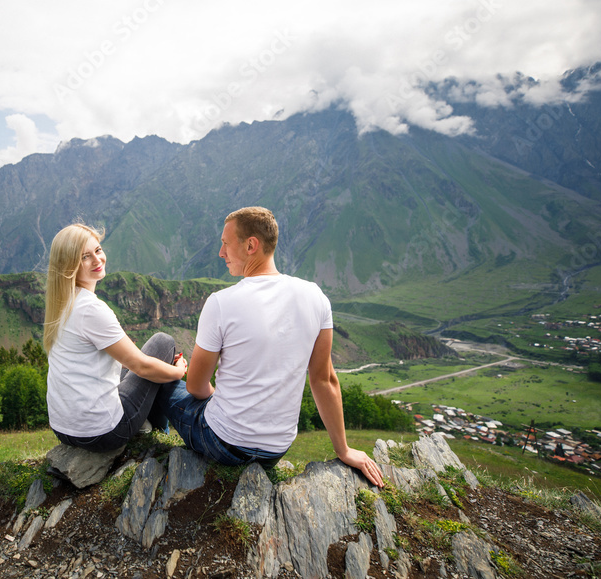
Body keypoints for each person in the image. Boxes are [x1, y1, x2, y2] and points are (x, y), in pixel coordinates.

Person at [157, 207, 384, 486]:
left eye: (225, 243)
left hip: (223, 443)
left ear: (251, 245)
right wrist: (344, 450)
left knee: (160, 381)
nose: (220, 253)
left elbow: (196, 387)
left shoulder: (221, 302)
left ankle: (152, 441)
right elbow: (324, 379)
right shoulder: (316, 297)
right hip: (275, 451)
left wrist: (216, 398)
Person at [44, 223, 188, 452]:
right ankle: (160, 433)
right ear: (69, 265)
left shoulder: (62, 301)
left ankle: (149, 425)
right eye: (85, 257)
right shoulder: (91, 309)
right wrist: (179, 371)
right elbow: (141, 366)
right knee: (163, 343)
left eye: (98, 250)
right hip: (104, 432)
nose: (97, 260)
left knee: (135, 363)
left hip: (64, 429)